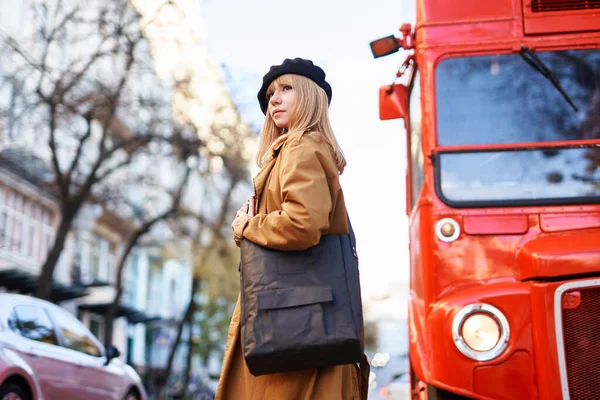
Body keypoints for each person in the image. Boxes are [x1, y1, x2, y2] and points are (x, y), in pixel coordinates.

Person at [215, 58, 366, 400]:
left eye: (286, 89)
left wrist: (247, 226)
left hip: (292, 321)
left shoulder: (299, 147)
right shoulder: (293, 151)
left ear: (311, 96)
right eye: (270, 93)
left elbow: (303, 224)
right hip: (304, 319)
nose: (274, 99)